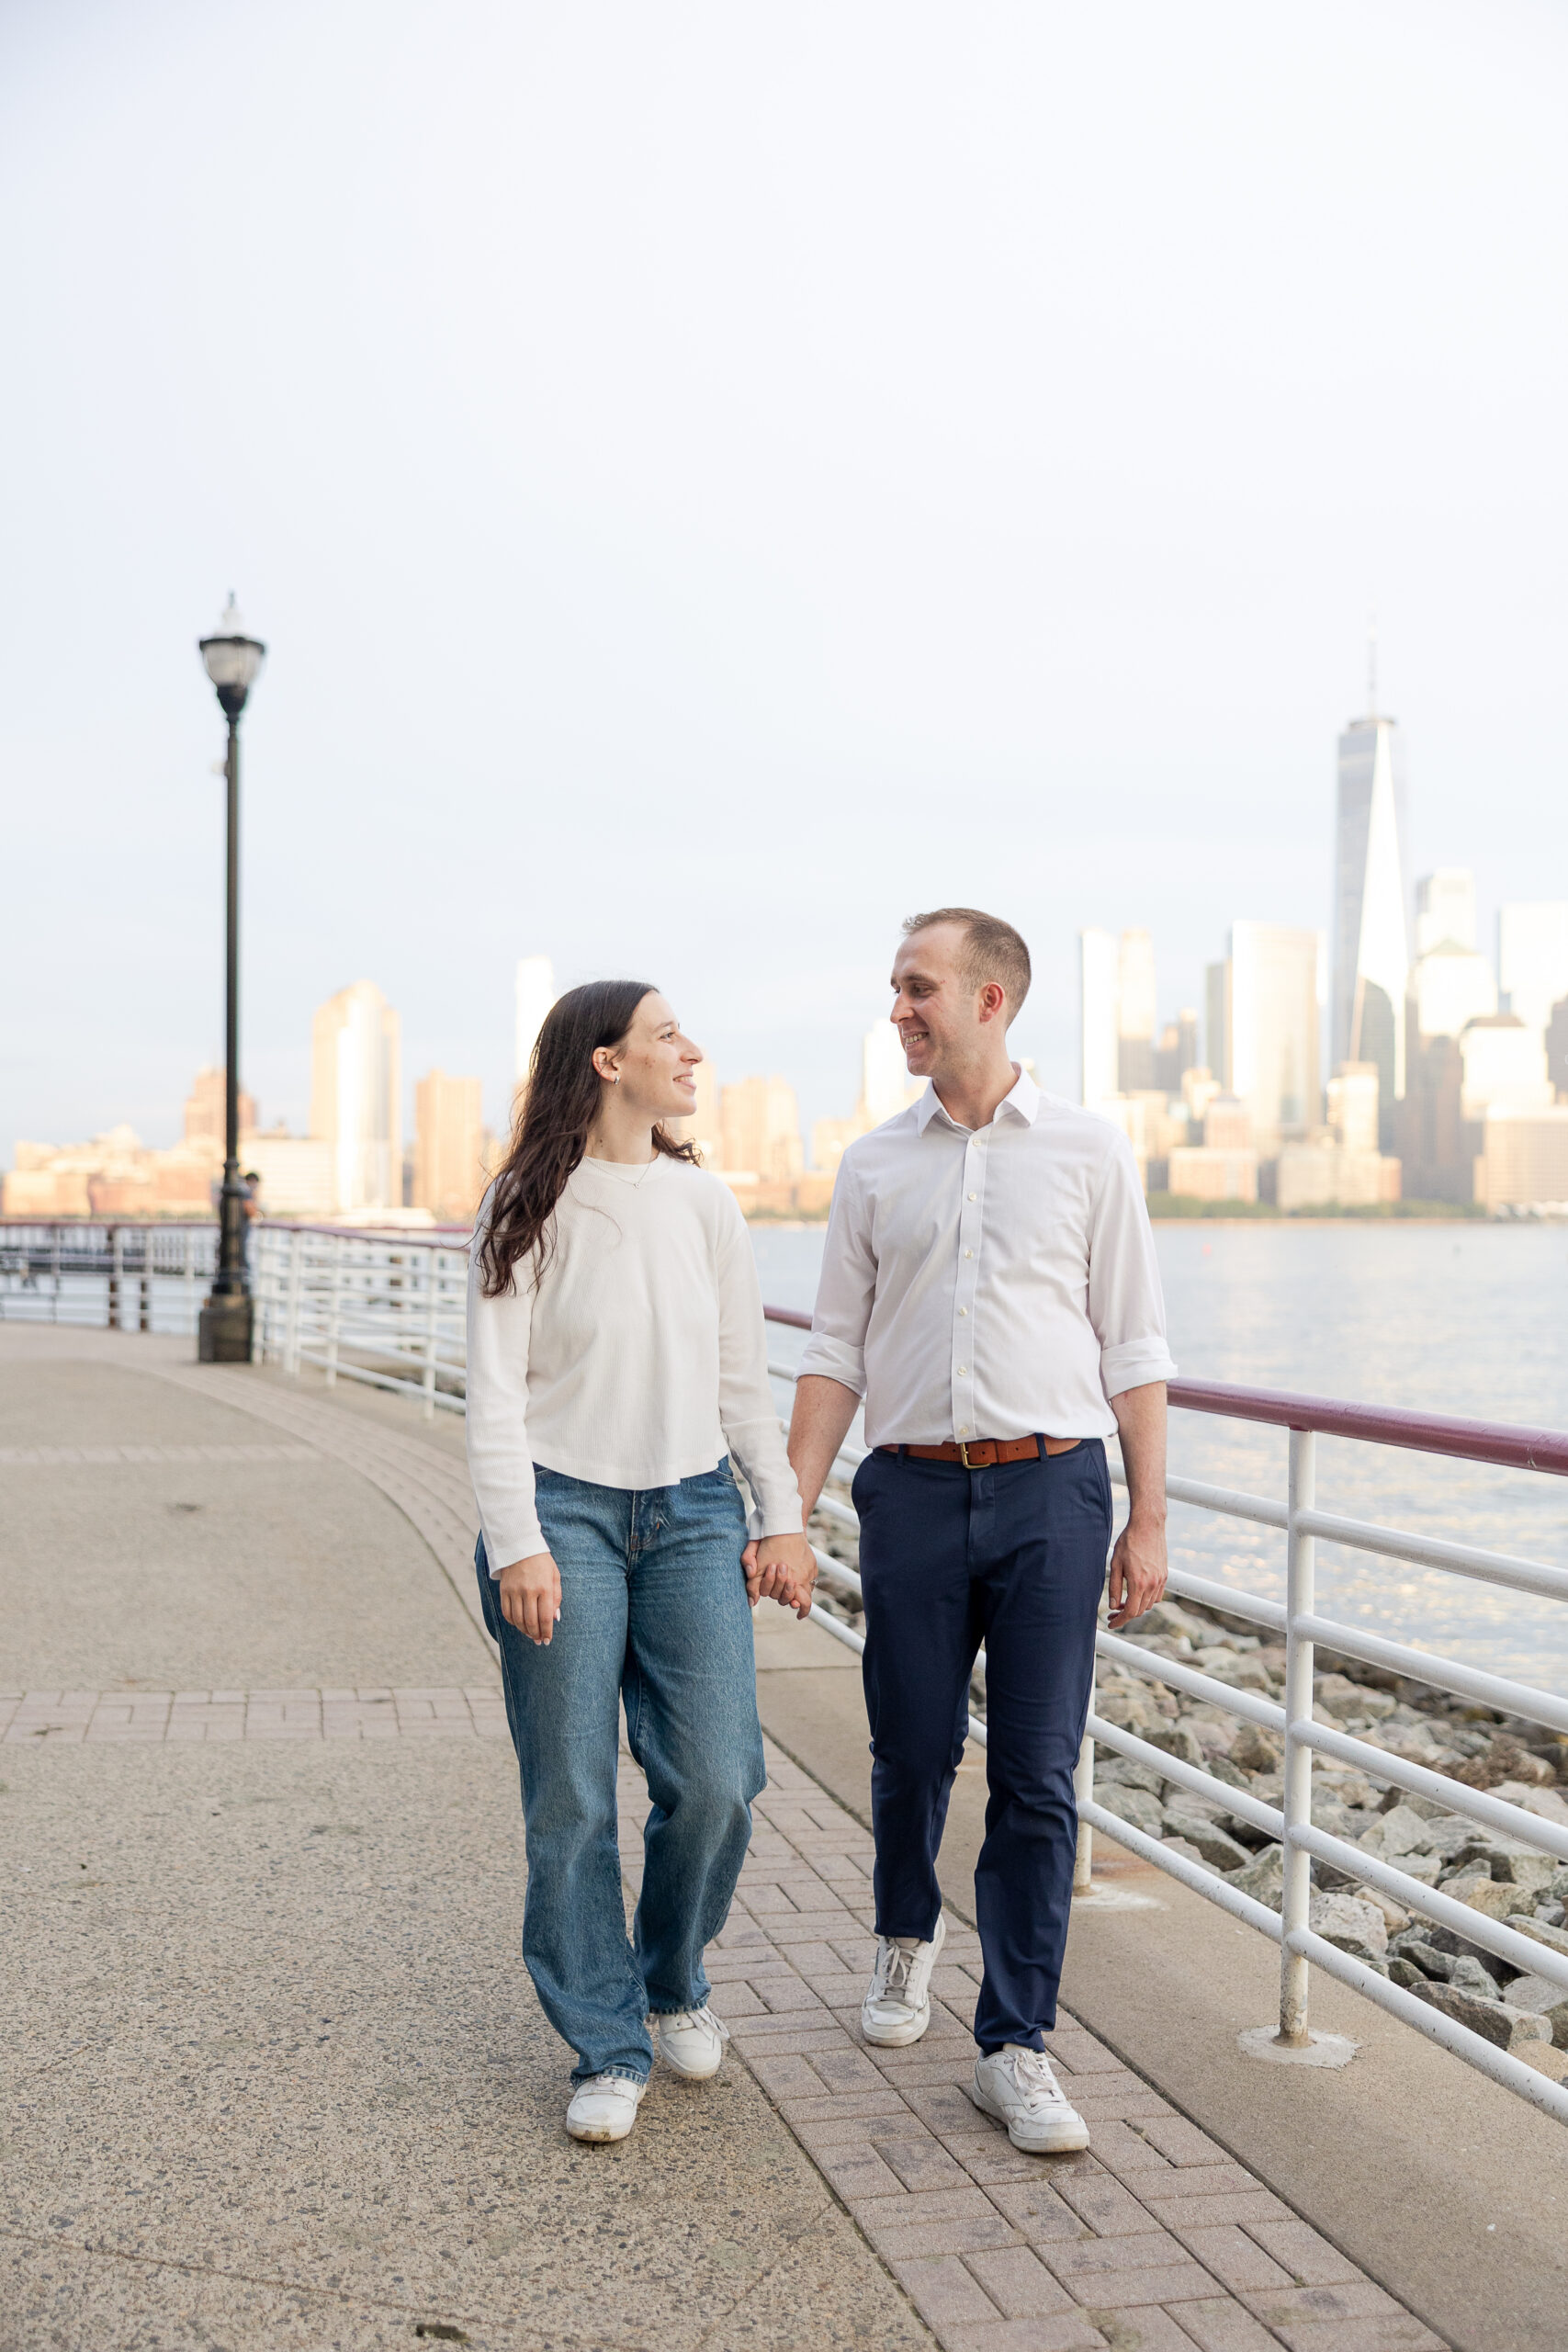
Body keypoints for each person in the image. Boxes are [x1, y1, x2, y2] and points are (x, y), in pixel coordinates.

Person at [787, 909, 1174, 2155]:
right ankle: (907, 1936)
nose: (897, 1008)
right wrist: (784, 1510)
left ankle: (1014, 2044)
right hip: (904, 1490)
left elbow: (1134, 1342)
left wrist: (1146, 1516)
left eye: (917, 988)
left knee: (1037, 1775)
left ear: (988, 1001)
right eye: (895, 988)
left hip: (1055, 1494)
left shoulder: (1084, 1151)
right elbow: (833, 1347)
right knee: (905, 1751)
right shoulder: (871, 1167)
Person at [466, 978, 817, 2145]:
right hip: (560, 1513)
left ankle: (672, 1980)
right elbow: (494, 1395)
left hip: (695, 1512)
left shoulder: (705, 1202)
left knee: (719, 1778)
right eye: (669, 1035)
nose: (693, 1051)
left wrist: (782, 1515)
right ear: (607, 1061)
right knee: (569, 1800)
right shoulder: (527, 1200)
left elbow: (739, 1382)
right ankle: (606, 2043)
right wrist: (517, 1540)